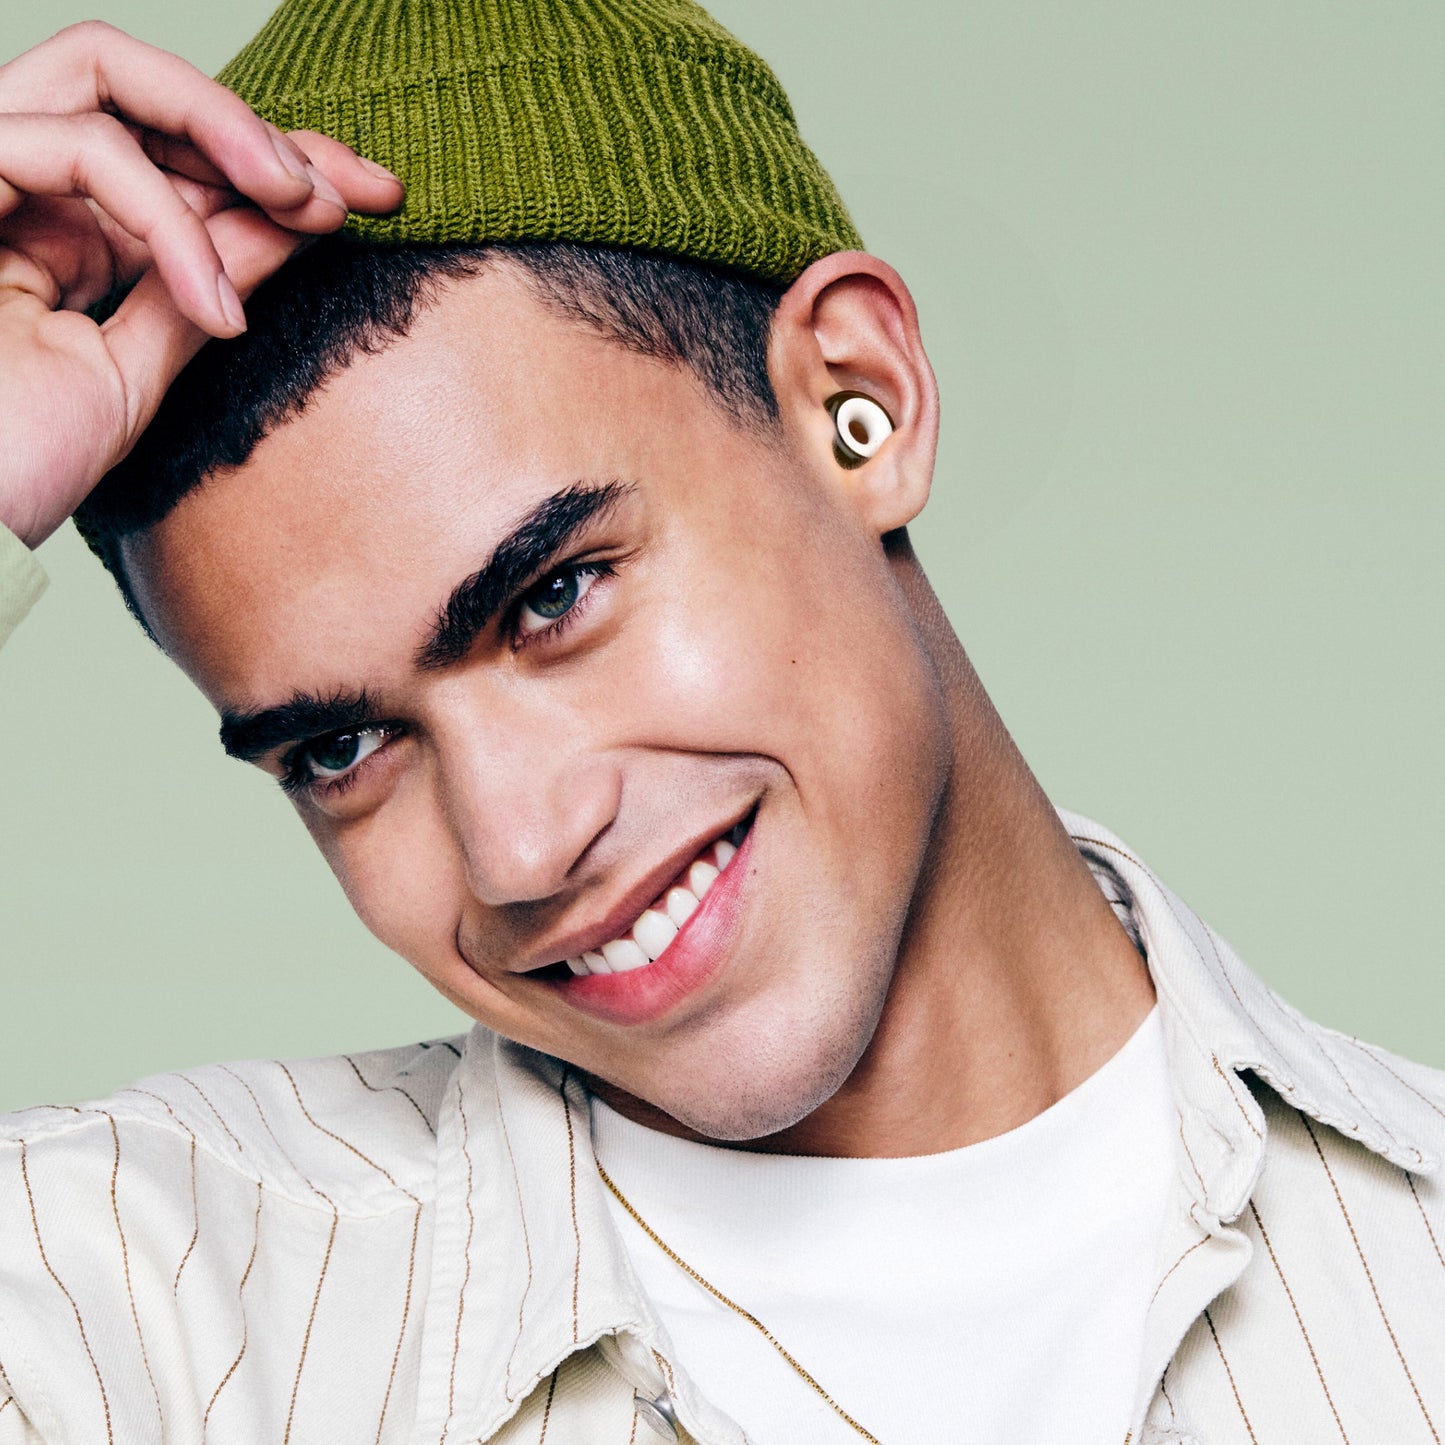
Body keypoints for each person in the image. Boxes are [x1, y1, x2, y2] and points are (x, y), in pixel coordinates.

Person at [0, 2, 1440, 1442]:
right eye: (340, 749)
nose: (516, 848)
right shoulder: (140, 1308)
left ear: (859, 404)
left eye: (555, 594)